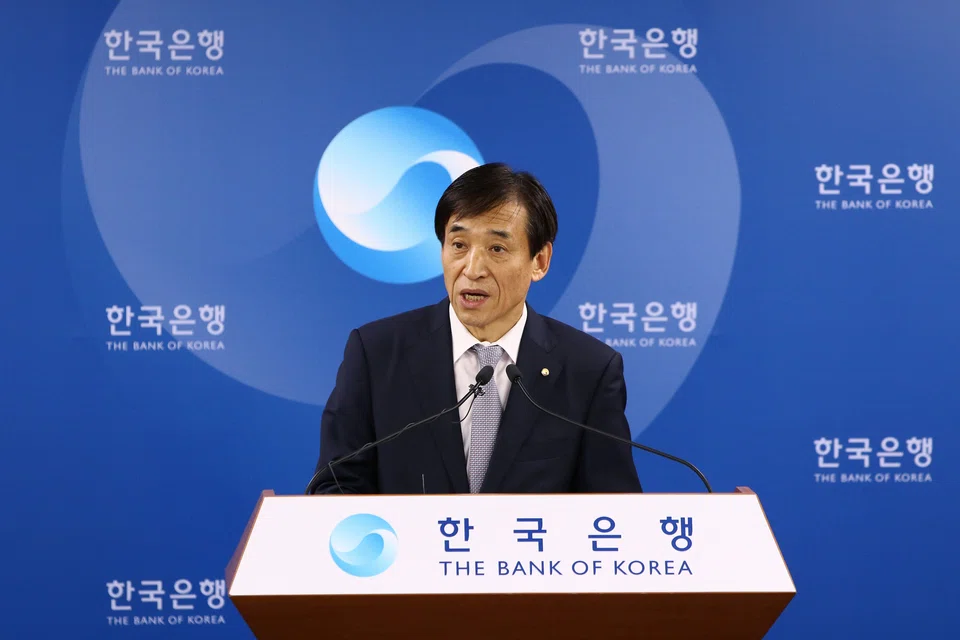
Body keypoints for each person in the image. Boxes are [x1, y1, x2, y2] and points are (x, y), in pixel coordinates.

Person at [311, 163, 642, 494]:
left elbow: (614, 509)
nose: (472, 269)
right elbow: (334, 488)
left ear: (539, 261)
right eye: (459, 245)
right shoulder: (376, 354)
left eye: (497, 249)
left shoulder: (588, 371)